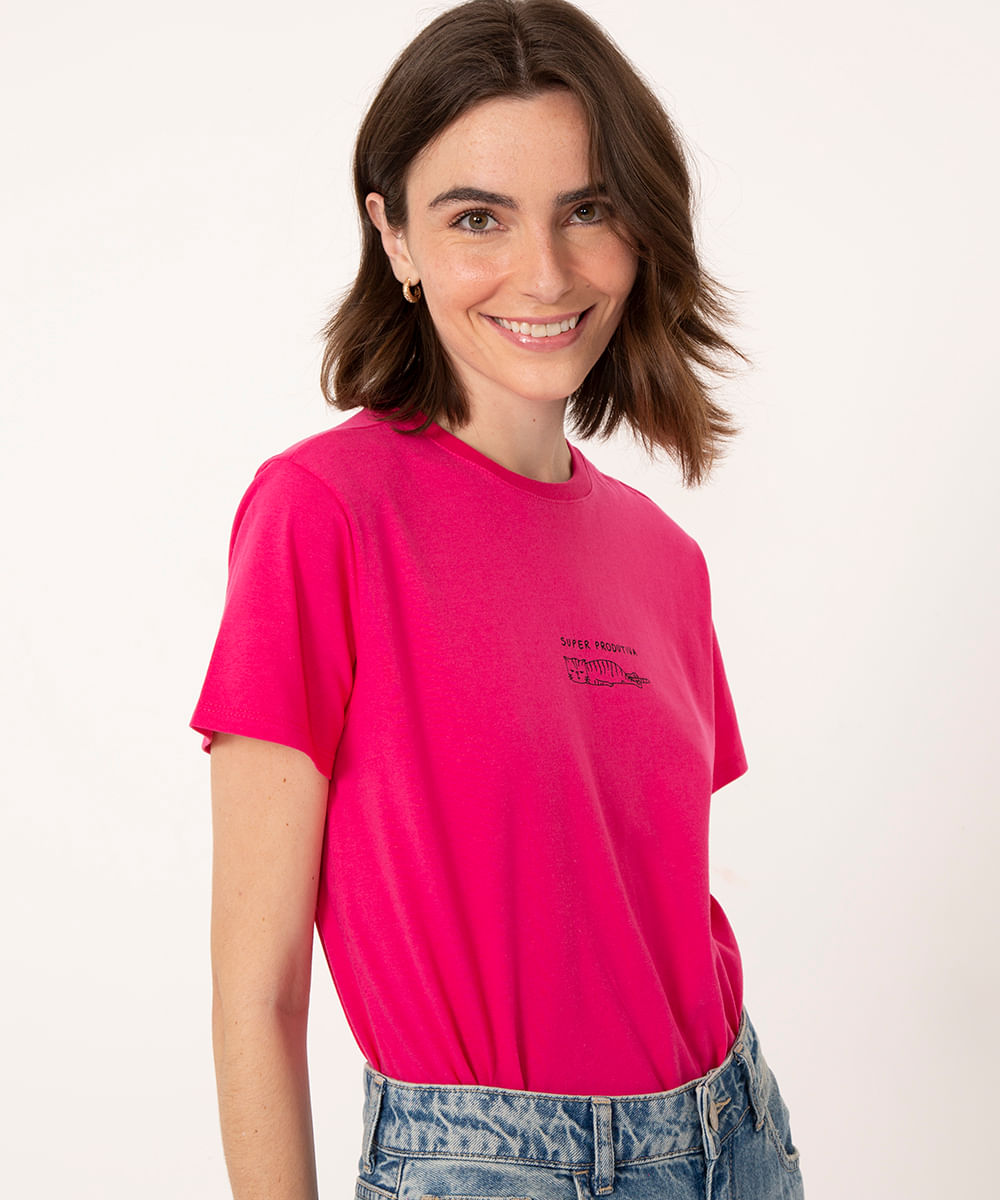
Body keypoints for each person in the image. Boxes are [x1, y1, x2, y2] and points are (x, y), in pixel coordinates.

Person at [191, 1, 804, 1197]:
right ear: (394, 237)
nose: (545, 272)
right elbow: (256, 995)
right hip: (487, 1165)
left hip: (734, 1137)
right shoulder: (322, 515)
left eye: (587, 210)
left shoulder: (665, 558)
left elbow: (644, 916)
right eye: (478, 217)